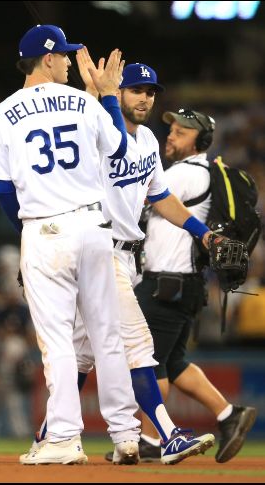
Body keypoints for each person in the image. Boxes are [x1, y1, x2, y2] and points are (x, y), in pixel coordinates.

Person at [25, 58, 216, 465]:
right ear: (118, 92)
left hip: (129, 256)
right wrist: (95, 93)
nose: (145, 98)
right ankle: (167, 435)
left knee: (82, 354)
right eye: (136, 90)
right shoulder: (94, 133)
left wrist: (203, 233)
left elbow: (160, 197)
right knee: (137, 344)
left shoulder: (147, 140)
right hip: (99, 249)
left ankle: (48, 433)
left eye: (150, 92)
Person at [0, 24, 142, 465]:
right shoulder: (84, 103)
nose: (70, 61)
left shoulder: (3, 111)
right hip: (92, 226)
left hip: (44, 229)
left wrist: (26, 232)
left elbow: (1, 188)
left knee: (58, 342)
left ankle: (65, 438)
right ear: (46, 59)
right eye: (65, 55)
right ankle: (126, 434)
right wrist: (108, 96)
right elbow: (122, 150)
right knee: (107, 336)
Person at [135, 107, 257, 463]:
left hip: (166, 282)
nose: (171, 135)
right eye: (171, 128)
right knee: (174, 363)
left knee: (148, 360)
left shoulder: (184, 173)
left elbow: (136, 197)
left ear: (201, 141)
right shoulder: (201, 173)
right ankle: (228, 414)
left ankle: (150, 439)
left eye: (182, 132)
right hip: (185, 283)